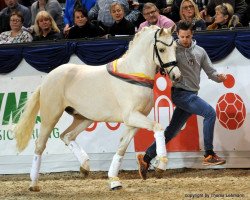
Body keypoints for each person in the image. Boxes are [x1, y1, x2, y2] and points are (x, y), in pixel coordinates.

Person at [137, 20, 227, 180]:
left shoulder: (200, 51)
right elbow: (160, 59)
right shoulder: (173, 48)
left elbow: (211, 72)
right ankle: (209, 154)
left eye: (188, 36)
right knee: (210, 114)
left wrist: (220, 78)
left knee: (171, 131)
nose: (185, 39)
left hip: (192, 94)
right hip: (180, 93)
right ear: (177, 34)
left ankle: (146, 159)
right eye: (182, 36)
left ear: (192, 34)